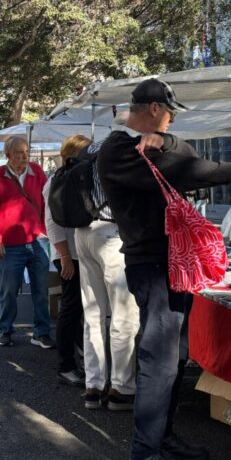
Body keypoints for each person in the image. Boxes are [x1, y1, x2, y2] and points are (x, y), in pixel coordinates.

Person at [97, 78, 231, 460]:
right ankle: (144, 452)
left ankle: (163, 436)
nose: (172, 122)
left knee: (175, 357)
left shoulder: (156, 143)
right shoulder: (117, 148)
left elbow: (183, 156)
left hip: (174, 264)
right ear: (156, 108)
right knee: (158, 359)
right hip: (153, 265)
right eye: (169, 114)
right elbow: (186, 169)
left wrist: (163, 140)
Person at [73, 134, 139, 411]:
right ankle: (121, 388)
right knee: (124, 313)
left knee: (93, 314)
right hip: (111, 233)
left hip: (83, 231)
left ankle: (94, 385)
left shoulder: (88, 150)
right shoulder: (124, 147)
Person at [0, 135, 54, 349]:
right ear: (8, 155)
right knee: (9, 291)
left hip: (37, 241)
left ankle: (41, 332)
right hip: (9, 244)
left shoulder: (37, 172)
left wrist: (45, 231)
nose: (24, 157)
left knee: (41, 290)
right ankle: (6, 330)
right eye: (19, 153)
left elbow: (47, 203)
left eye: (26, 152)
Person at [44, 135, 88, 386]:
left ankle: (77, 355)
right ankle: (66, 364)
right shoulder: (57, 181)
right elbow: (52, 223)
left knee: (79, 307)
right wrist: (64, 256)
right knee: (71, 307)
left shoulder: (72, 177)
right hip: (68, 252)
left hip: (77, 252)